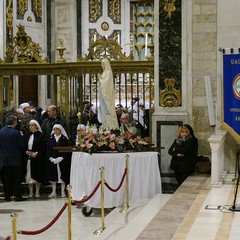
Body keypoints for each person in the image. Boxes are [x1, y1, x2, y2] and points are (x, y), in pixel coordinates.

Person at [0, 115, 26, 201]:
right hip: (15, 159)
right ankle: (17, 196)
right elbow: (21, 145)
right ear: (14, 122)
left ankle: (7, 196)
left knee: (6, 179)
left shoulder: (1, 131)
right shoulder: (16, 132)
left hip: (4, 159)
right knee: (16, 178)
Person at [47, 124, 71, 198]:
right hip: (53, 160)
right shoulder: (50, 138)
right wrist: (51, 158)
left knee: (62, 176)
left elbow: (67, 150)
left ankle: (62, 191)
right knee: (53, 176)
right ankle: (53, 191)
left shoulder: (64, 139)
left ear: (60, 130)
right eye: (54, 129)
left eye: (57, 129)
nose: (55, 131)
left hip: (62, 161)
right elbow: (48, 149)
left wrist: (62, 158)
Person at [23, 119, 46, 198]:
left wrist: (36, 153)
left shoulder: (41, 135)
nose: (31, 127)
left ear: (36, 126)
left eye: (32, 125)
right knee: (29, 175)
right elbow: (23, 146)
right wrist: (27, 152)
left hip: (37, 158)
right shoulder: (26, 135)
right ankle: (30, 192)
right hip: (28, 157)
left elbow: (43, 147)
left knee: (37, 175)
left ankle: (37, 192)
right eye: (30, 125)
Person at [97, 58, 119, 129]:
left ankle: (111, 126)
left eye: (103, 64)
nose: (101, 65)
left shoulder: (108, 72)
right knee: (104, 110)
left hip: (107, 95)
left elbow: (106, 83)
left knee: (108, 109)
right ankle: (106, 125)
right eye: (101, 64)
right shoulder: (104, 73)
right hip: (103, 93)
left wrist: (100, 79)